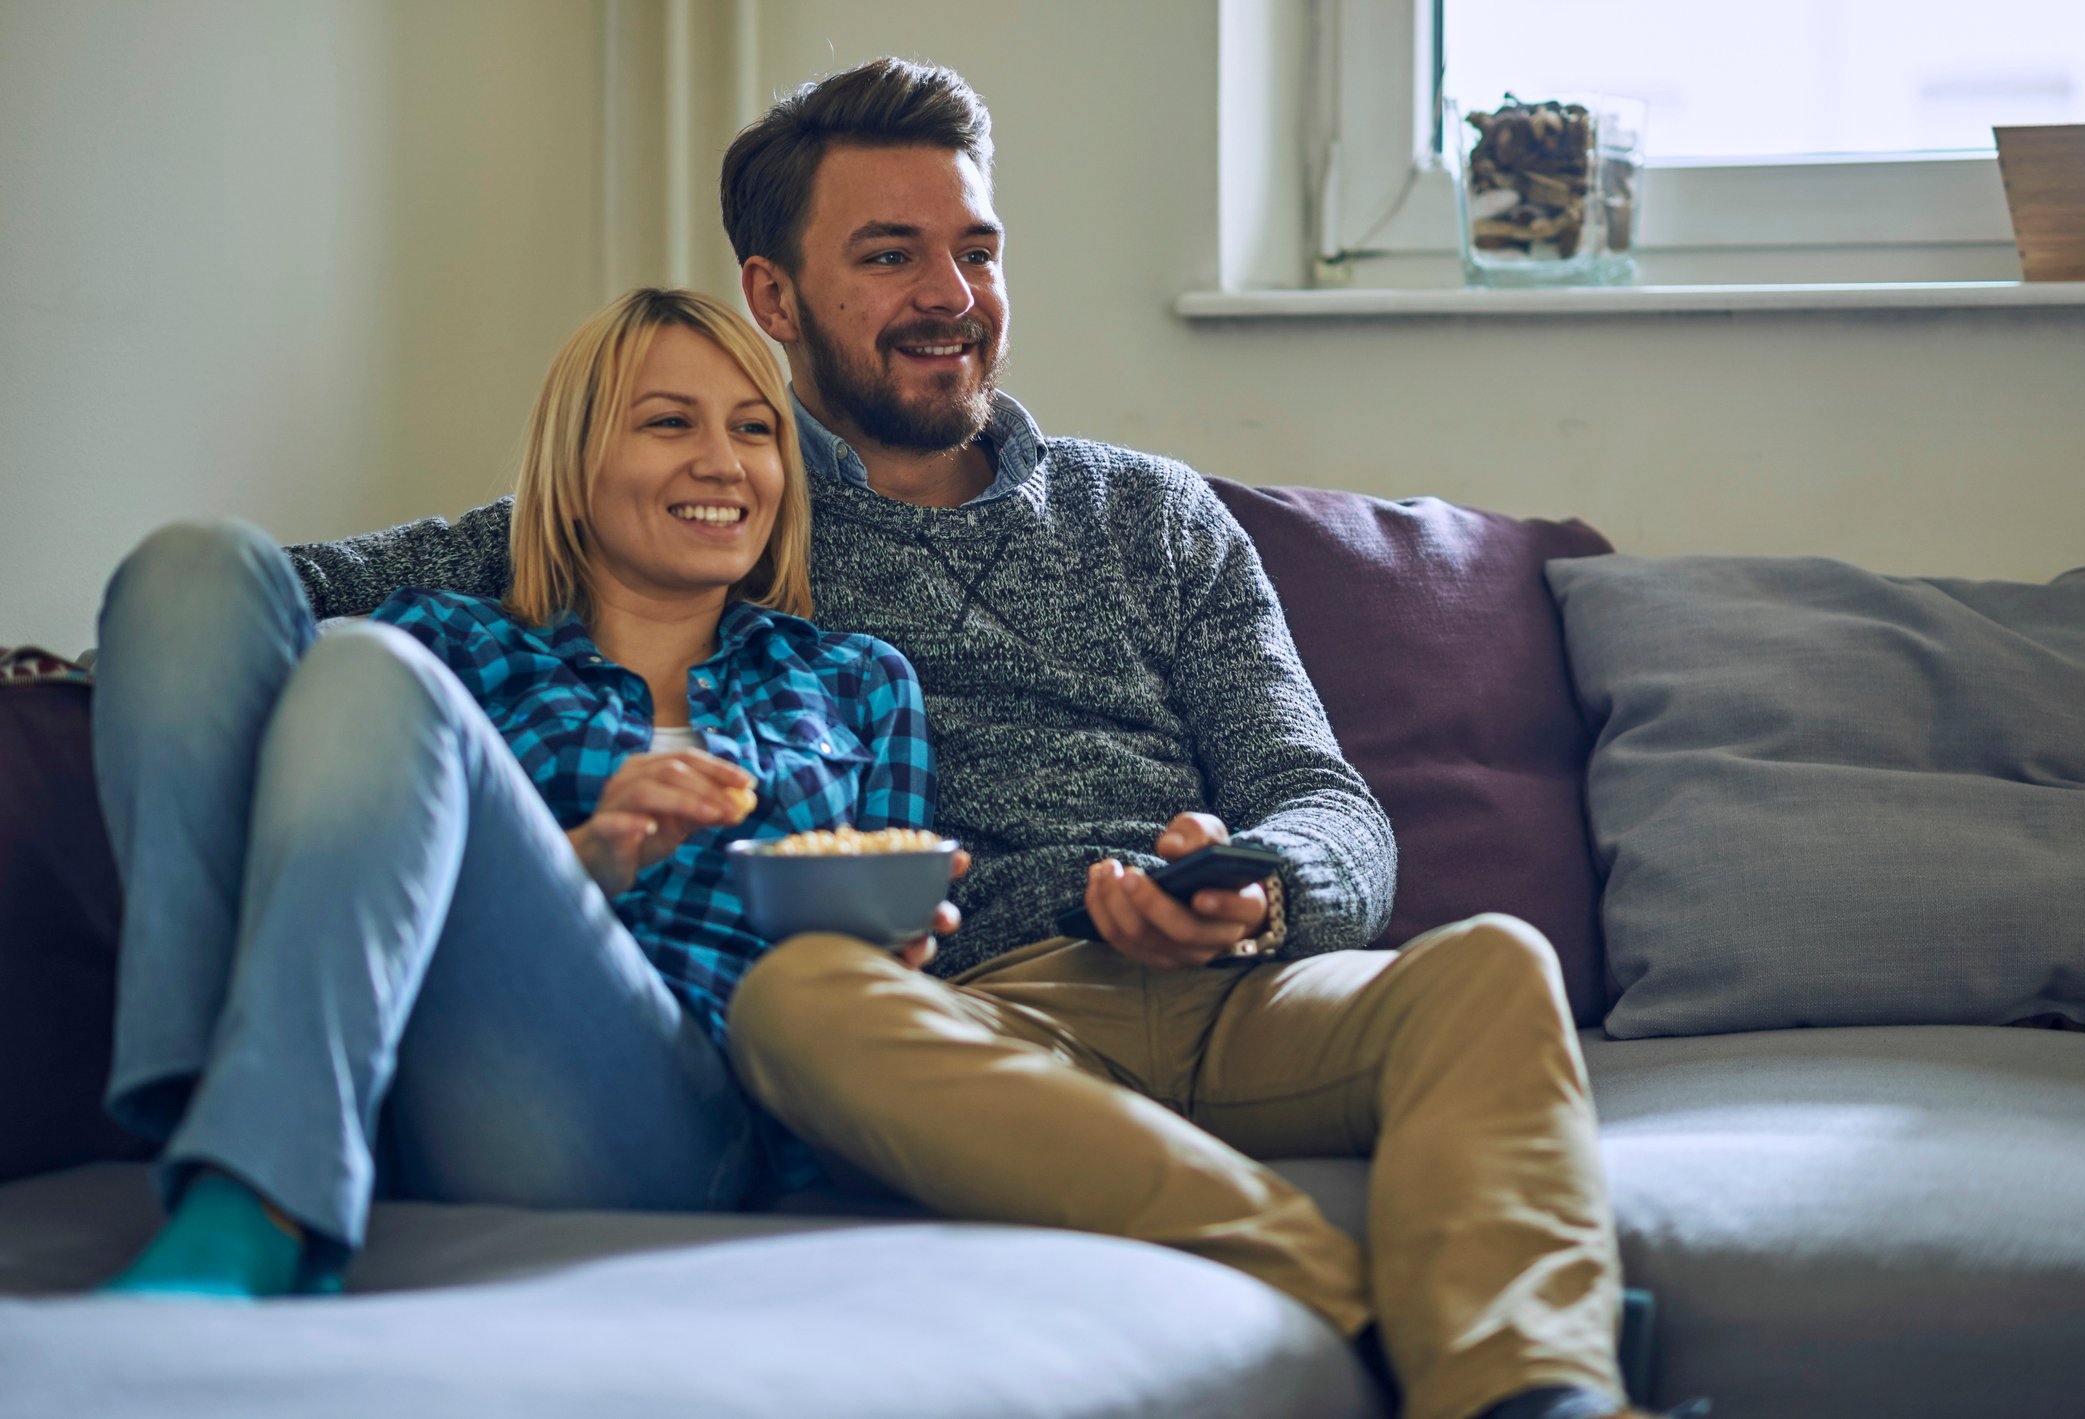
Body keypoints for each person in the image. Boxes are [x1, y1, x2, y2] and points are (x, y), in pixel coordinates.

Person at [280, 59, 1703, 1419]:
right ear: (772, 292)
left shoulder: (1151, 514)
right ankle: (1379, 1316)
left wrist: (1260, 881)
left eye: (975, 248)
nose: (950, 296)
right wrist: (100, 665)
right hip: (973, 1011)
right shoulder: (722, 494)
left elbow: (1323, 795)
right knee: (798, 1002)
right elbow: (318, 587)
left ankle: (1541, 1390)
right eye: (891, 254)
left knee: (1491, 964)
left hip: (1244, 989)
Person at [90, 287, 935, 1300]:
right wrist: (587, 851)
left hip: (681, 1123)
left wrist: (894, 951)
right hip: (403, 1072)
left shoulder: (855, 680)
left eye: (754, 431)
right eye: (671, 422)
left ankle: (256, 1186)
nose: (724, 461)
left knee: (369, 667)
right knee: (194, 567)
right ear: (575, 471)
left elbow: (891, 955)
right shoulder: (457, 647)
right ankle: (234, 1136)